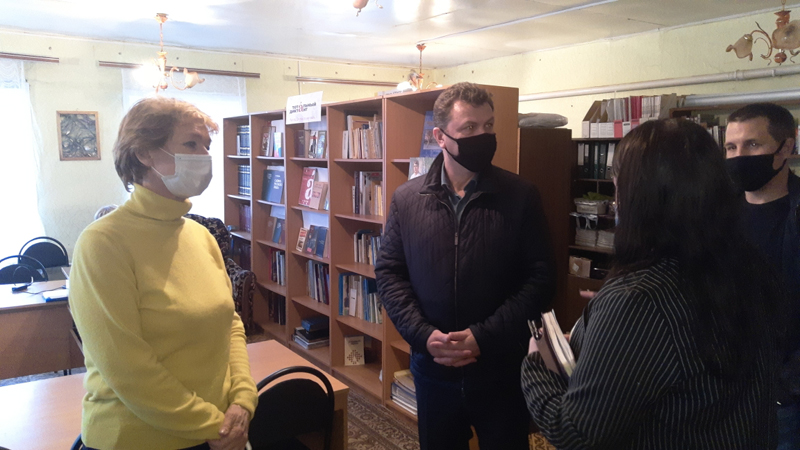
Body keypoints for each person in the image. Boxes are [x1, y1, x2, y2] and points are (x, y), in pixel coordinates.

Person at [521, 119, 781, 449]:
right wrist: (596, 339)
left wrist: (537, 364)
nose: (615, 201)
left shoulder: (638, 298)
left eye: (618, 186)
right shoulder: (746, 267)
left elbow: (578, 434)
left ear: (636, 195)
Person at [69, 97, 258, 450]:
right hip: (138, 439)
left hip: (217, 430)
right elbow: (128, 368)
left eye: (207, 145)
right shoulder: (102, 243)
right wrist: (214, 425)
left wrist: (243, 399)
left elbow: (229, 323)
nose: (204, 155)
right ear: (144, 153)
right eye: (191, 144)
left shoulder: (200, 236)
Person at [375, 82, 555, 450]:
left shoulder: (521, 196)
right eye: (469, 128)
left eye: (488, 126)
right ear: (440, 136)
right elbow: (390, 273)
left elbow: (540, 279)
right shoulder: (407, 199)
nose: (482, 137)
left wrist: (482, 337)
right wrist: (423, 335)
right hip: (433, 369)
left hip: (501, 369)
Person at [724, 102, 800, 450]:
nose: (739, 156)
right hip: (720, 386)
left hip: (782, 397)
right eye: (731, 147)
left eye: (752, 144)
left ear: (786, 147)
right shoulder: (716, 215)